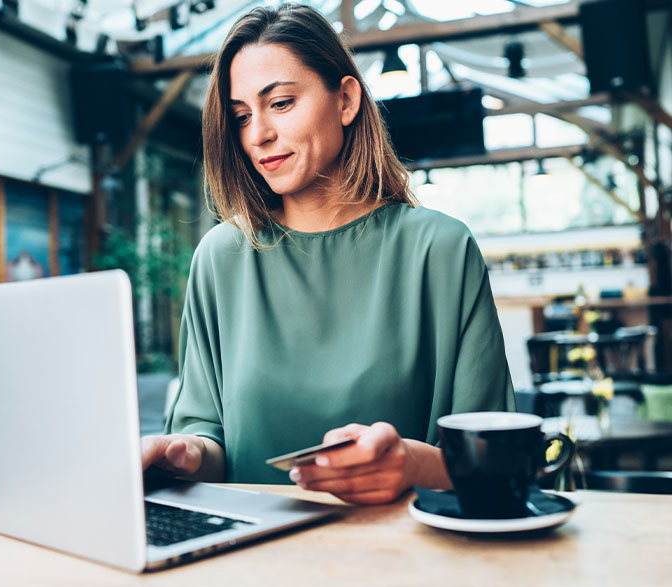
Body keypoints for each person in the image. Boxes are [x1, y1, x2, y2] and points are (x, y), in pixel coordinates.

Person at [140, 3, 515, 504]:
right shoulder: (221, 257)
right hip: (251, 566)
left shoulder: (440, 250)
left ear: (345, 99)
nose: (258, 135)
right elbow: (207, 435)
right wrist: (182, 452)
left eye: (281, 103)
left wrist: (415, 464)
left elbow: (499, 462)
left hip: (405, 565)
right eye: (241, 116)